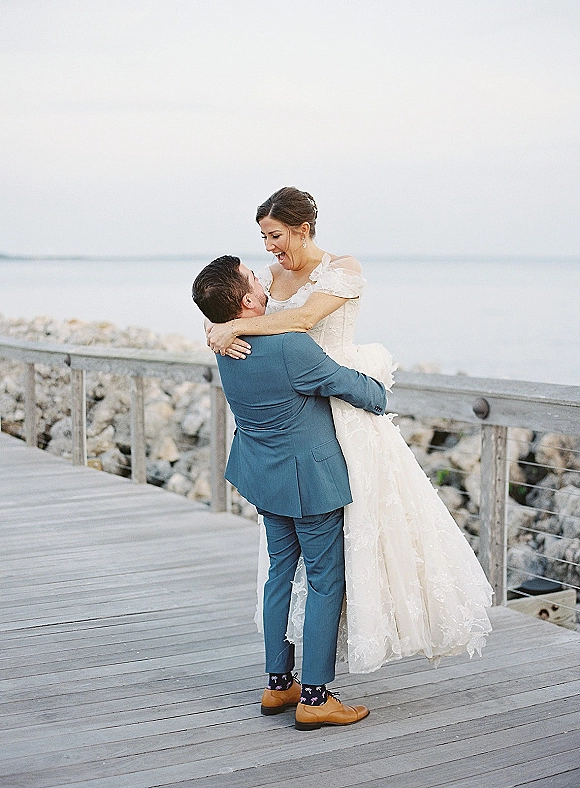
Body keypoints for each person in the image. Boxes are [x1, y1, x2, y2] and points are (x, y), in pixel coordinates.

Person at [206, 187, 494, 673]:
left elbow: (301, 319)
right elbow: (243, 311)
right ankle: (314, 687)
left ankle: (296, 672)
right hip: (305, 421)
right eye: (263, 238)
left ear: (303, 229)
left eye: (275, 235)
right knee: (315, 565)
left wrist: (228, 329)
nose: (270, 247)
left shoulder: (343, 270)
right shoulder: (266, 281)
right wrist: (219, 326)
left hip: (341, 411)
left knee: (364, 535)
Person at [192, 254, 388, 730]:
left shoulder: (225, 342)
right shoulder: (289, 347)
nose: (263, 278)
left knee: (281, 571)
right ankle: (317, 696)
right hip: (308, 479)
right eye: (254, 278)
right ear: (247, 300)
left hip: (262, 473)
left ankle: (279, 685)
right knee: (324, 579)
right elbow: (367, 395)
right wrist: (376, 373)